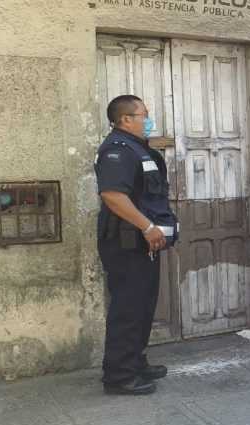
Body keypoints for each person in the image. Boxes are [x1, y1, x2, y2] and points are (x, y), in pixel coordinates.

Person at [94, 95, 179, 395]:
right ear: (125, 119)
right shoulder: (117, 150)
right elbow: (112, 194)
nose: (149, 118)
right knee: (128, 308)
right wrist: (147, 226)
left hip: (140, 243)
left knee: (142, 305)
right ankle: (119, 376)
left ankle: (134, 362)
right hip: (125, 242)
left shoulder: (135, 147)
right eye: (144, 114)